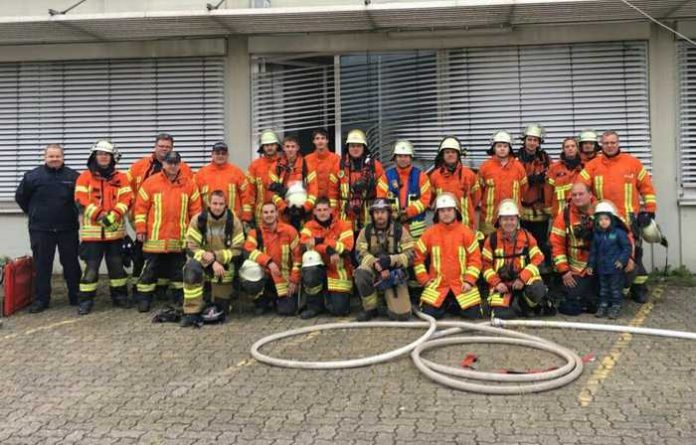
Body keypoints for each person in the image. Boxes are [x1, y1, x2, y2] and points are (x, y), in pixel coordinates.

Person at [579, 130, 657, 303]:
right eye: (606, 143)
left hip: (629, 219)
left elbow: (647, 188)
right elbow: (580, 187)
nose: (610, 145)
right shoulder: (593, 165)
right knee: (605, 254)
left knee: (635, 254)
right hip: (603, 220)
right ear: (602, 144)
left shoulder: (633, 163)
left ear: (618, 143)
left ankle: (639, 288)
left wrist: (650, 211)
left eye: (613, 142)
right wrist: (587, 211)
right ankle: (611, 289)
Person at [133, 151, 202, 313]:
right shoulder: (150, 183)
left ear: (180, 164)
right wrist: (141, 229)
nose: (172, 166)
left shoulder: (189, 184)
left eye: (175, 163)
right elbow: (140, 209)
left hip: (179, 239)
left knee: (178, 273)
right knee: (149, 272)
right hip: (154, 239)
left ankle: (178, 299)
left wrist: (195, 235)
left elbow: (196, 213)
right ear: (163, 164)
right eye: (169, 163)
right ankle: (144, 300)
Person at [15, 144, 81, 313]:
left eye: (57, 156)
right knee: (42, 265)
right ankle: (41, 300)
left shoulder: (74, 177)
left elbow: (81, 200)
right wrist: (34, 213)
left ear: (63, 157)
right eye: (51, 156)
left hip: (67, 229)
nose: (54, 159)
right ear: (45, 157)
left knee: (71, 264)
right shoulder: (32, 177)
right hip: (41, 229)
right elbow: (21, 197)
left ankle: (76, 296)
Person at [127, 133, 193, 297]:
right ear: (155, 146)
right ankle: (139, 291)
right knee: (143, 259)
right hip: (145, 221)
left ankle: (162, 291)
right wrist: (136, 221)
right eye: (161, 146)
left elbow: (192, 195)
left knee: (171, 260)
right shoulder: (140, 166)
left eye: (168, 147)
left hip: (174, 225)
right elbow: (126, 189)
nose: (164, 149)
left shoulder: (184, 168)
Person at [74, 140, 133, 315]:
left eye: (107, 154)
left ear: (112, 158)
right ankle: (85, 301)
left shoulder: (121, 178)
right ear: (94, 157)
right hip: (92, 236)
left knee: (116, 268)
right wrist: (100, 215)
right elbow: (80, 200)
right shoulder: (84, 177)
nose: (103, 157)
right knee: (91, 269)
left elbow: (127, 199)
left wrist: (113, 215)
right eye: (100, 154)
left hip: (115, 234)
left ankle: (120, 297)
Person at [413, 193, 482, 319]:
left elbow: (475, 260)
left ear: (456, 211)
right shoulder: (429, 233)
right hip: (438, 284)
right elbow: (418, 258)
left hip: (461, 284)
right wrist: (424, 280)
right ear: (437, 213)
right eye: (442, 211)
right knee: (429, 313)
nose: (446, 213)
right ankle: (449, 304)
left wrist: (469, 281)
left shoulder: (466, 233)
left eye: (449, 210)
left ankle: (451, 304)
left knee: (473, 314)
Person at [181, 190, 245, 327]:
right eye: (214, 203)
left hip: (224, 268)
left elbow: (238, 250)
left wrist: (216, 257)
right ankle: (191, 312)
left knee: (221, 310)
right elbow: (191, 248)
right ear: (209, 203)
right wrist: (211, 261)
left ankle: (215, 300)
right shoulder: (199, 220)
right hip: (203, 263)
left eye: (221, 204)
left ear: (226, 204)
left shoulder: (233, 222)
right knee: (191, 268)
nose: (217, 207)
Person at [482, 199, 550, 319]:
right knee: (502, 315)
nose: (509, 223)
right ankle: (514, 306)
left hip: (522, 281)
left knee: (537, 290)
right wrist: (496, 283)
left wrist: (522, 278)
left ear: (517, 220)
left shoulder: (527, 237)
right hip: (502, 284)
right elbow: (485, 266)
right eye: (505, 219)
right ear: (499, 221)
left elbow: (538, 258)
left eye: (512, 219)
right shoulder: (492, 240)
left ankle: (525, 305)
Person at [354, 198, 415, 321]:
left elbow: (410, 254)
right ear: (372, 214)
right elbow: (359, 253)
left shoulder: (399, 230)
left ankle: (387, 301)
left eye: (383, 212)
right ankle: (371, 308)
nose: (379, 215)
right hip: (374, 270)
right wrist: (375, 263)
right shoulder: (365, 232)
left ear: (388, 213)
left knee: (401, 316)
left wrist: (391, 261)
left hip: (393, 275)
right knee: (361, 272)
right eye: (376, 212)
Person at [299, 197, 355, 319]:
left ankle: (329, 298)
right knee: (310, 258)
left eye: (325, 209)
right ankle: (314, 306)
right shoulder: (308, 227)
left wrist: (321, 240)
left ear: (331, 210)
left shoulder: (344, 225)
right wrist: (327, 249)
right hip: (317, 270)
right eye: (319, 210)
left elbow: (347, 248)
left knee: (339, 310)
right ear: (314, 212)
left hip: (338, 271)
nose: (322, 212)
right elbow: (304, 245)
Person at [241, 201, 301, 315]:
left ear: (277, 213)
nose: (269, 215)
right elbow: (248, 250)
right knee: (249, 265)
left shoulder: (289, 231)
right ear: (261, 215)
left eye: (272, 212)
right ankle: (261, 299)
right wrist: (269, 262)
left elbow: (298, 258)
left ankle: (277, 300)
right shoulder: (255, 233)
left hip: (284, 279)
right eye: (266, 212)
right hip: (265, 279)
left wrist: (294, 280)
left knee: (287, 311)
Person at [549, 182, 597, 315]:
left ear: (590, 194)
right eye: (574, 195)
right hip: (577, 269)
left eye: (581, 194)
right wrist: (564, 271)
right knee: (573, 302)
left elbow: (619, 235)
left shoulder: (601, 211)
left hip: (599, 267)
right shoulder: (564, 216)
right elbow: (556, 245)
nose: (577, 197)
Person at [477, 130, 528, 236]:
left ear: (509, 148)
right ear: (494, 148)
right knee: (489, 249)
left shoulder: (518, 167)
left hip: (512, 219)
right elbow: (478, 192)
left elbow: (524, 189)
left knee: (511, 249)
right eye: (499, 146)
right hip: (489, 219)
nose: (502, 148)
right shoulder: (485, 167)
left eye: (505, 146)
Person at [587, 201, 632, 319]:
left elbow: (627, 248)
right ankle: (603, 306)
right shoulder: (597, 235)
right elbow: (593, 252)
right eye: (601, 219)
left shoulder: (619, 233)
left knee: (615, 289)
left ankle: (615, 307)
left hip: (615, 269)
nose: (603, 222)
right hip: (602, 268)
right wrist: (590, 265)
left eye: (606, 219)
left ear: (612, 219)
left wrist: (622, 261)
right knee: (603, 289)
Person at [517, 124, 552, 275]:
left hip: (540, 208)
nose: (532, 143)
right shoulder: (516, 159)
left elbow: (551, 175)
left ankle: (542, 271)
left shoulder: (544, 158)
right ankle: (525, 270)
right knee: (523, 241)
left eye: (535, 140)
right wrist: (530, 179)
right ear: (524, 141)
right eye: (529, 139)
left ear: (539, 142)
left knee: (540, 241)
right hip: (522, 206)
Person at [338, 129, 387, 232]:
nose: (355, 149)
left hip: (368, 215)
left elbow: (383, 192)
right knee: (346, 245)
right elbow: (332, 192)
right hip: (345, 215)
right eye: (352, 146)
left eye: (358, 146)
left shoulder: (375, 166)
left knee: (366, 245)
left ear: (364, 147)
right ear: (348, 148)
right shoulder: (339, 165)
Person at [267, 135, 319, 231]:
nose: (290, 149)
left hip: (304, 214)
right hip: (283, 215)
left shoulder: (307, 166)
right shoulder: (276, 167)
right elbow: (272, 193)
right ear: (283, 148)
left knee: (303, 241)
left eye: (292, 146)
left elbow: (313, 191)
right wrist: (284, 208)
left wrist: (305, 208)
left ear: (297, 148)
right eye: (287, 146)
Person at [428, 136, 480, 230]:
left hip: (466, 227)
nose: (450, 155)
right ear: (442, 155)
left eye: (453, 152)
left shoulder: (469, 175)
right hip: (442, 227)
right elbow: (431, 200)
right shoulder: (435, 176)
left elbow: (475, 200)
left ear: (458, 154)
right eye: (447, 152)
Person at [194, 141, 249, 218]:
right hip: (208, 222)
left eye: (223, 153)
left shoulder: (237, 173)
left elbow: (246, 196)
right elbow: (195, 201)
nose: (220, 156)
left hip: (233, 221)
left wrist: (246, 217)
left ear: (227, 155)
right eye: (217, 153)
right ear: (212, 155)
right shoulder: (201, 174)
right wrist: (198, 219)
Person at [244, 130, 282, 226]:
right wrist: (248, 215)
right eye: (266, 145)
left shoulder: (284, 163)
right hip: (260, 214)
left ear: (277, 145)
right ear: (262, 147)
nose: (269, 147)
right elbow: (249, 192)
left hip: (282, 213)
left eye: (272, 144)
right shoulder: (254, 166)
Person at [546, 137, 584, 218]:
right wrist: (550, 212)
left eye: (573, 146)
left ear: (577, 148)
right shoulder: (554, 168)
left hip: (580, 214)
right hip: (559, 214)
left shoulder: (584, 167)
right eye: (567, 147)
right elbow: (548, 192)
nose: (570, 148)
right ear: (563, 149)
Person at [305, 128, 341, 209]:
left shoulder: (336, 159)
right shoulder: (307, 159)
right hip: (312, 204)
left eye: (323, 138)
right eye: (317, 139)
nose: (320, 141)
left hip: (332, 204)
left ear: (327, 140)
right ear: (313, 141)